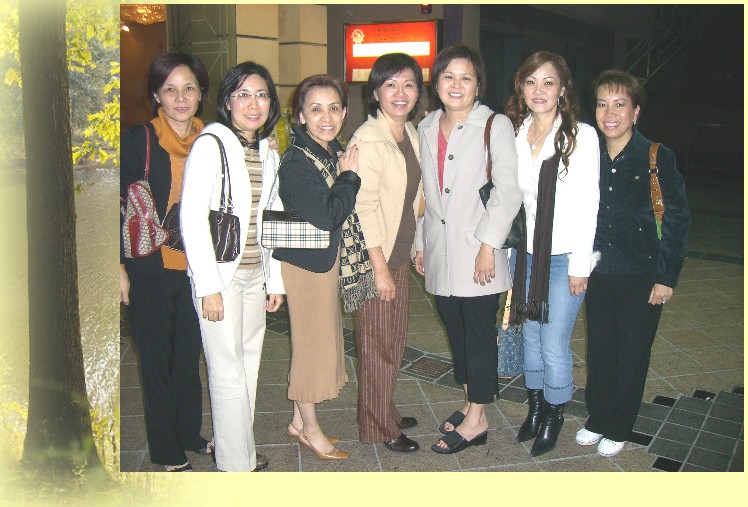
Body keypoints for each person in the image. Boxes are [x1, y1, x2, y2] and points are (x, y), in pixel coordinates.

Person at [415, 45, 522, 454]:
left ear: (478, 85)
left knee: (477, 334)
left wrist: (488, 246)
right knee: (456, 331)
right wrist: (421, 244)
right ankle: (469, 401)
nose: (456, 85)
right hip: (440, 251)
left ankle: (478, 418)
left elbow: (507, 191)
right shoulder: (427, 126)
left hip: (478, 250)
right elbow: (425, 193)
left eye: (466, 77)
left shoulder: (494, 125)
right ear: (437, 82)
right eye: (448, 76)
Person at [577, 69, 690, 457]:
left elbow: (677, 219)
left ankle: (619, 424)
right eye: (602, 104)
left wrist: (666, 277)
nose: (610, 113)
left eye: (620, 104)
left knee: (632, 353)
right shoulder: (587, 155)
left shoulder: (657, 157)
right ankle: (597, 417)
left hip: (643, 273)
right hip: (599, 272)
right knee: (600, 349)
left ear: (636, 111)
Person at [180, 61, 285, 472]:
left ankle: (240, 452)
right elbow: (191, 218)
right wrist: (208, 287)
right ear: (227, 101)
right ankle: (234, 465)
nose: (253, 104)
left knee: (248, 368)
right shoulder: (211, 144)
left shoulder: (265, 150)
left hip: (255, 276)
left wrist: (275, 280)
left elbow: (272, 217)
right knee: (226, 373)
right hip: (220, 280)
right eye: (243, 95)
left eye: (261, 95)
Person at [503, 51, 600, 457]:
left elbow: (589, 203)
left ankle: (554, 416)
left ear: (562, 89)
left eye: (548, 82)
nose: (539, 90)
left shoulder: (580, 136)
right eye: (531, 82)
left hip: (564, 258)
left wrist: (580, 265)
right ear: (521, 88)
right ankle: (535, 407)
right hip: (525, 255)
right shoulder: (515, 132)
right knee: (529, 335)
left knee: (554, 342)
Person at [119, 51, 211, 472]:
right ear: (156, 95)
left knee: (188, 358)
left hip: (197, 268)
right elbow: (114, 202)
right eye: (170, 89)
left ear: (201, 93)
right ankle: (165, 447)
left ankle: (189, 432)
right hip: (149, 267)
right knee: (156, 360)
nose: (180, 97)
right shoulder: (138, 139)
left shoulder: (213, 141)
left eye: (189, 88)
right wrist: (117, 267)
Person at [272, 74, 362, 461]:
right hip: (306, 268)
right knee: (311, 348)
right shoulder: (297, 162)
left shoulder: (327, 150)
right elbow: (328, 215)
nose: (327, 117)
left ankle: (297, 421)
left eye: (334, 108)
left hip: (321, 262)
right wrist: (350, 177)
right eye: (316, 109)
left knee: (319, 340)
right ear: (301, 116)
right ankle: (310, 431)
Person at [347, 53, 424, 453]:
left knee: (392, 342)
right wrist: (379, 269)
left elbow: (414, 199)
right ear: (375, 92)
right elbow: (363, 208)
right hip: (375, 259)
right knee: (377, 346)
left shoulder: (408, 132)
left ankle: (385, 410)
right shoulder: (368, 140)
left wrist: (417, 246)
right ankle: (378, 426)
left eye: (408, 84)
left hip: (398, 253)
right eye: (390, 84)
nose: (400, 92)